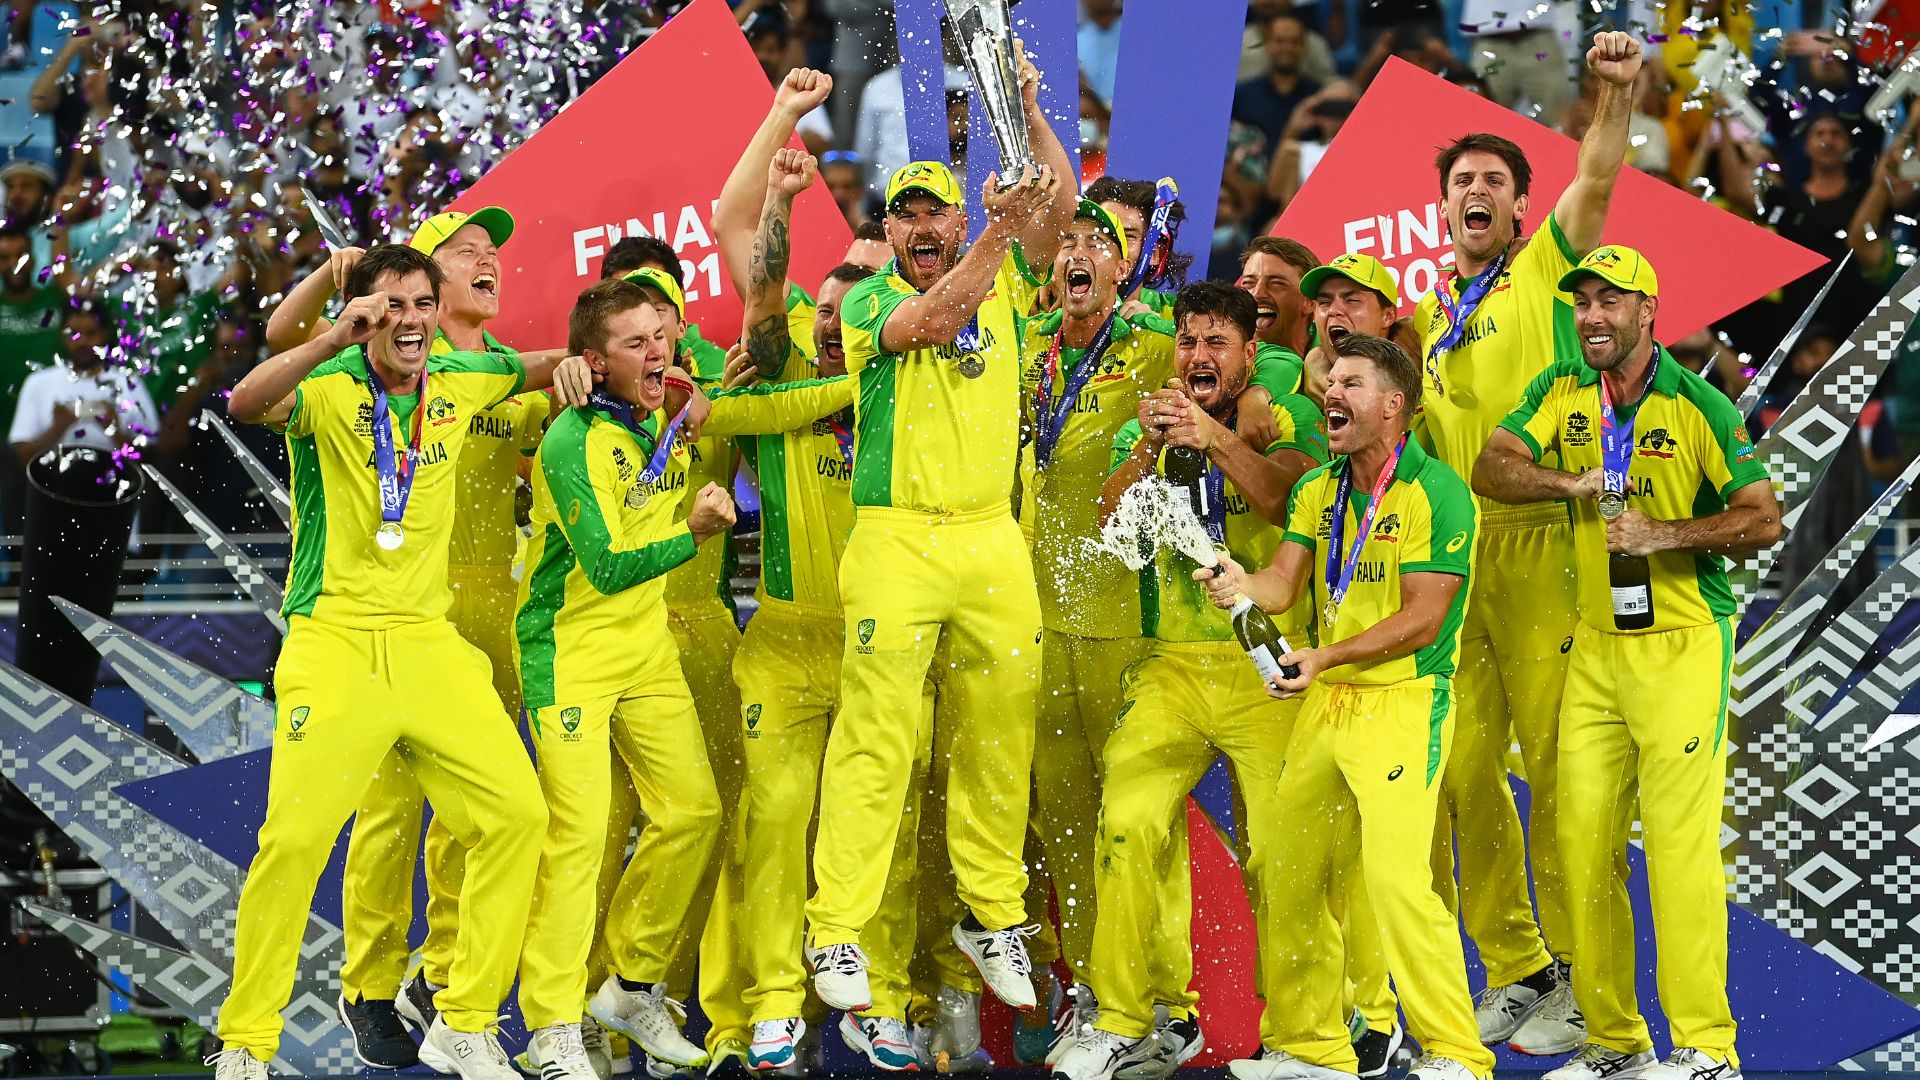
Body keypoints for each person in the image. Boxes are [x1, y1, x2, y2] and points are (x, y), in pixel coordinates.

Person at [209, 244, 588, 1080]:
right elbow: (244, 400)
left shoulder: (459, 381)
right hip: (334, 641)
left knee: (518, 818)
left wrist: (569, 367)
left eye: (420, 303)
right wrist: (331, 338)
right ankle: (246, 1043)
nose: (409, 321)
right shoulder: (331, 389)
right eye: (390, 308)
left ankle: (465, 1022)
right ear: (364, 316)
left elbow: (531, 363)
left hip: (429, 644)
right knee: (297, 840)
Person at [805, 34, 1077, 1017]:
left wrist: (1033, 112)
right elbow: (928, 322)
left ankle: (991, 909)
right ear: (889, 230)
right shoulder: (876, 294)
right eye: (906, 215)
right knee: (880, 738)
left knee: (1002, 731)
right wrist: (994, 236)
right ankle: (835, 928)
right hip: (897, 539)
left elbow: (1059, 214)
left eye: (937, 212)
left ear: (957, 214)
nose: (923, 227)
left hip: (990, 537)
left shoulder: (1006, 273)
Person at [1473, 246, 1779, 1080]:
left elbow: (1762, 520)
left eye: (1612, 301)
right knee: (1581, 843)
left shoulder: (1701, 406)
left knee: (1678, 853)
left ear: (1651, 311)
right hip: (1595, 648)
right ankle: (1614, 1043)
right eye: (1583, 302)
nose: (1593, 315)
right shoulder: (1560, 390)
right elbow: (1490, 466)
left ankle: (1709, 1051)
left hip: (1682, 645)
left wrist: (1663, 536)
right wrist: (1566, 485)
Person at [1412, 31, 1643, 1054]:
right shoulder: (1423, 316)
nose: (1475, 191)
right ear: (1442, 206)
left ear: (1516, 205)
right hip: (1458, 565)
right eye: (1460, 179)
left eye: (1492, 180)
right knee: (1461, 777)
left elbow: (1597, 171)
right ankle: (1520, 966)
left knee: (1559, 781)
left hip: (1548, 543)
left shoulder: (1549, 269)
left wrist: (1616, 88)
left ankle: (1597, 1002)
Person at [1054, 282, 1327, 1080]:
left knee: (1283, 853)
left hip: (1268, 664)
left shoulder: (1292, 415)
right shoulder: (1151, 420)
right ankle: (1122, 1018)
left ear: (1250, 355)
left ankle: (1305, 1040)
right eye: (1188, 342)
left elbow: (1285, 498)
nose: (1199, 357)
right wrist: (1146, 449)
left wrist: (1214, 437)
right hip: (1170, 662)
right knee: (1127, 822)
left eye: (1217, 344)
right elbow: (1108, 524)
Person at [1202, 333, 1491, 1080]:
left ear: (1395, 407)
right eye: (1331, 380)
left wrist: (1324, 656)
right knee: (1286, 867)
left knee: (1396, 883)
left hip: (1402, 702)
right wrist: (1239, 581)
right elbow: (1283, 585)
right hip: (1327, 704)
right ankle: (1314, 1049)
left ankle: (1458, 1054)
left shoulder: (1439, 492)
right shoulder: (1319, 489)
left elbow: (1424, 617)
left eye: (1352, 384)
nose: (1331, 392)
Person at [724, 145, 934, 1074]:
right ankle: (774, 1002)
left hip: (883, 644)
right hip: (782, 642)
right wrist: (779, 190)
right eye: (826, 296)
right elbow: (762, 287)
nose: (834, 306)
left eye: (857, 288)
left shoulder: (916, 395)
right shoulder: (774, 388)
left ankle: (884, 994)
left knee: (881, 817)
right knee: (774, 818)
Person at [1016, 201, 1187, 1072]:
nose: (1079, 254)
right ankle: (1095, 987)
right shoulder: (1026, 348)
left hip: (1126, 619)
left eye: (1100, 245)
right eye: (1069, 244)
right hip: (1039, 622)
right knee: (1065, 824)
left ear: (1127, 268)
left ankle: (1174, 996)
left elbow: (1224, 365)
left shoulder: (1154, 343)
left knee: (1139, 820)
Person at [9, 296, 157, 467]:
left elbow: (151, 460)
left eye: (91, 333)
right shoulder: (38, 383)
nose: (83, 342)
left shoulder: (129, 384)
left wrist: (115, 430)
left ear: (105, 334)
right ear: (62, 335)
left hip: (115, 489)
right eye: (74, 334)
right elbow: (21, 459)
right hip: (53, 488)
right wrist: (58, 427)